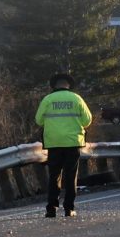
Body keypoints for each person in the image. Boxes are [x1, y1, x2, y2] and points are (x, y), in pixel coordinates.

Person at [35, 73, 92, 218]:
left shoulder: (48, 99)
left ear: (54, 85)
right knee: (70, 175)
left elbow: (38, 120)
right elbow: (87, 120)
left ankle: (51, 208)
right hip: (72, 142)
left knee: (54, 175)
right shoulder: (76, 98)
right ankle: (69, 208)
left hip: (53, 143)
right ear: (68, 85)